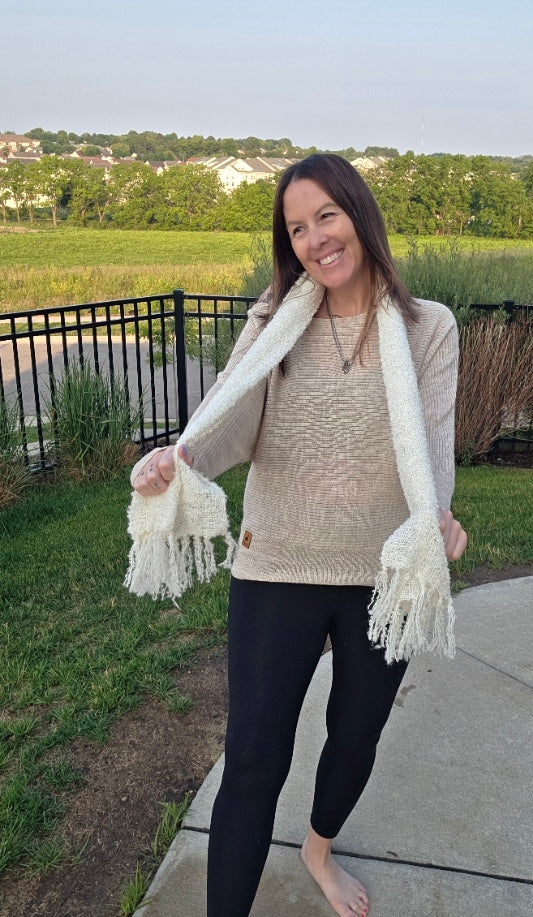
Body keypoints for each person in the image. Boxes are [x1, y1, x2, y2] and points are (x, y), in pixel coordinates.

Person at [129, 153, 467, 917]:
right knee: (252, 759)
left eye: (326, 215)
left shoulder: (429, 328)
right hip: (275, 561)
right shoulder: (274, 318)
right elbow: (226, 423)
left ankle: (318, 849)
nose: (315, 237)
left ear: (358, 214)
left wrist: (436, 520)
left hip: (382, 574)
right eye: (296, 226)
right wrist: (176, 463)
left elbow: (433, 451)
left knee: (354, 740)